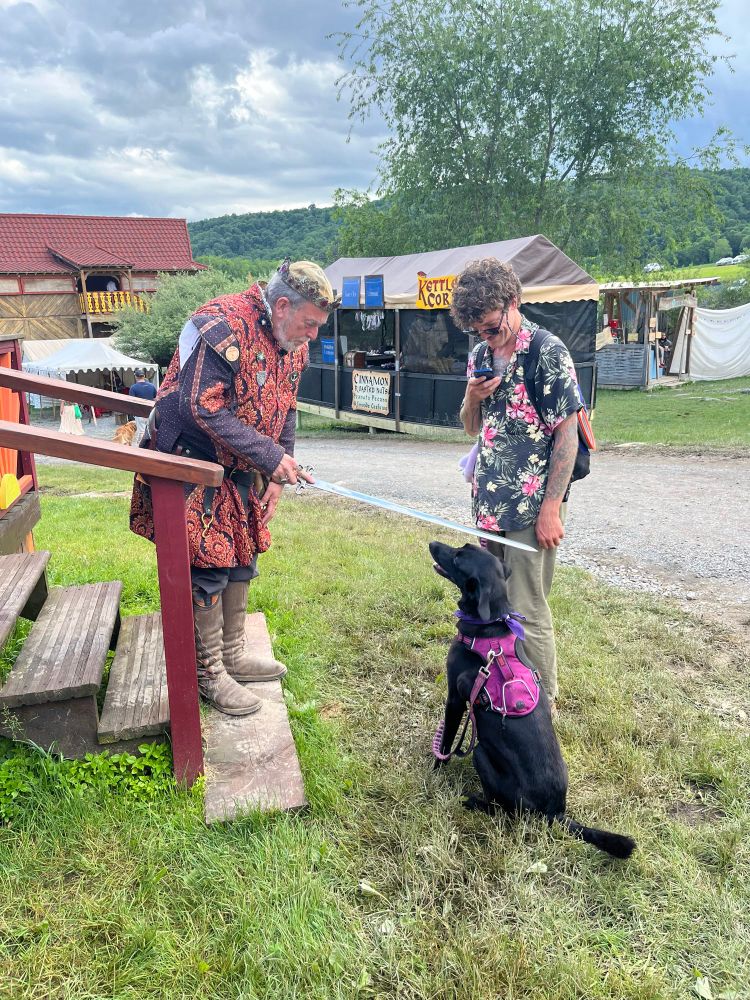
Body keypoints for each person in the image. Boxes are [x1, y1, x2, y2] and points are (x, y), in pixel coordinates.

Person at [130, 259, 335, 716]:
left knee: (243, 555)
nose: (313, 335)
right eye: (310, 323)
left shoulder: (292, 343)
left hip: (243, 467)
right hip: (190, 463)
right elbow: (199, 407)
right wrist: (268, 456)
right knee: (207, 565)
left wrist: (280, 470)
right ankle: (209, 673)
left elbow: (287, 406)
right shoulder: (219, 325)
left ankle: (234, 654)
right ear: (282, 306)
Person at [452, 258, 581, 709]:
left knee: (527, 605)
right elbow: (472, 429)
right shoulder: (481, 355)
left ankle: (541, 705)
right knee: (495, 600)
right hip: (489, 503)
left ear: (514, 302)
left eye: (491, 327)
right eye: (477, 332)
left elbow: (568, 433)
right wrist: (471, 397)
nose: (486, 338)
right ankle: (509, 685)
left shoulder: (546, 351)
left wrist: (551, 508)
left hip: (532, 508)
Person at [128, 368, 157, 442]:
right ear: (144, 376)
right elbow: (155, 399)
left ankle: (141, 449)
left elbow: (132, 402)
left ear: (136, 377)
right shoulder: (152, 386)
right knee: (151, 430)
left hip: (139, 413)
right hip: (151, 412)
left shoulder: (133, 388)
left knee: (141, 432)